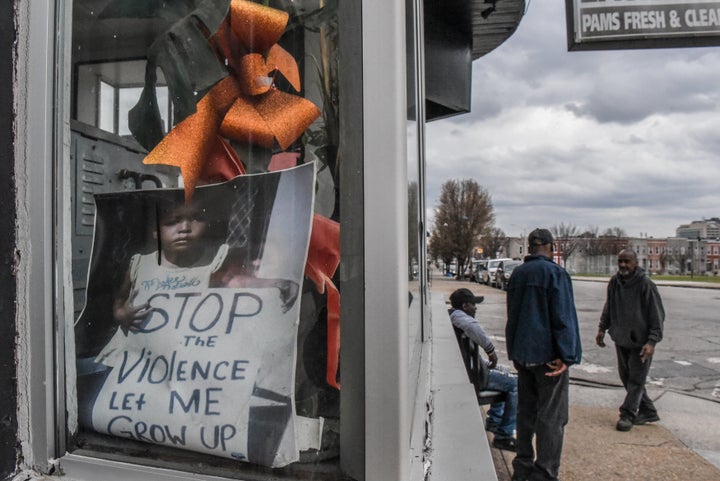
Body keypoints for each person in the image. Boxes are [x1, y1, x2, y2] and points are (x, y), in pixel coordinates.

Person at [505, 228, 582, 481]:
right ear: (551, 246)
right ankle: (544, 473)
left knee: (526, 413)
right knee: (551, 418)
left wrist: (514, 351)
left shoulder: (518, 274)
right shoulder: (555, 273)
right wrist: (567, 355)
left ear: (529, 247)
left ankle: (522, 466)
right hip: (548, 357)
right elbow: (563, 318)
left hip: (523, 354)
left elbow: (512, 315)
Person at [596, 249, 665, 432]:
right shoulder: (614, 283)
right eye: (620, 261)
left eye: (627, 261)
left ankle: (627, 414)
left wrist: (652, 342)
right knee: (627, 378)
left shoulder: (646, 285)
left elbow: (657, 316)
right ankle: (648, 410)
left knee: (636, 380)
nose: (623, 265)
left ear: (635, 263)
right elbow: (609, 306)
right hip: (621, 339)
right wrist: (602, 328)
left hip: (641, 343)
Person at [448, 288, 518, 452]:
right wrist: (491, 351)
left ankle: (495, 420)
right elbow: (474, 328)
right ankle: (504, 434)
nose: (476, 308)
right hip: (476, 376)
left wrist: (493, 363)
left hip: (473, 369)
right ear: (465, 306)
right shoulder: (459, 316)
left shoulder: (452, 315)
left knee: (506, 374)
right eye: (473, 305)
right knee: (516, 384)